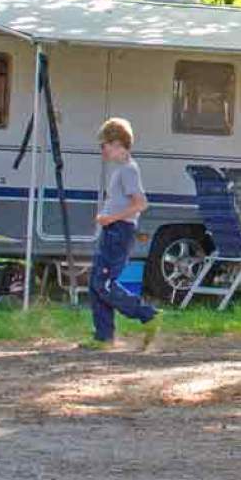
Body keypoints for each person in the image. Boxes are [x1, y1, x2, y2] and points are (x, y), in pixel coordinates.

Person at [84, 116, 160, 351]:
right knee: (96, 283)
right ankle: (103, 337)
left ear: (117, 144)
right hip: (112, 231)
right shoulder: (122, 170)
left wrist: (111, 218)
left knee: (105, 284)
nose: (102, 151)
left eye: (104, 145)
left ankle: (147, 314)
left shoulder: (128, 170)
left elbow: (140, 204)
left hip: (119, 232)